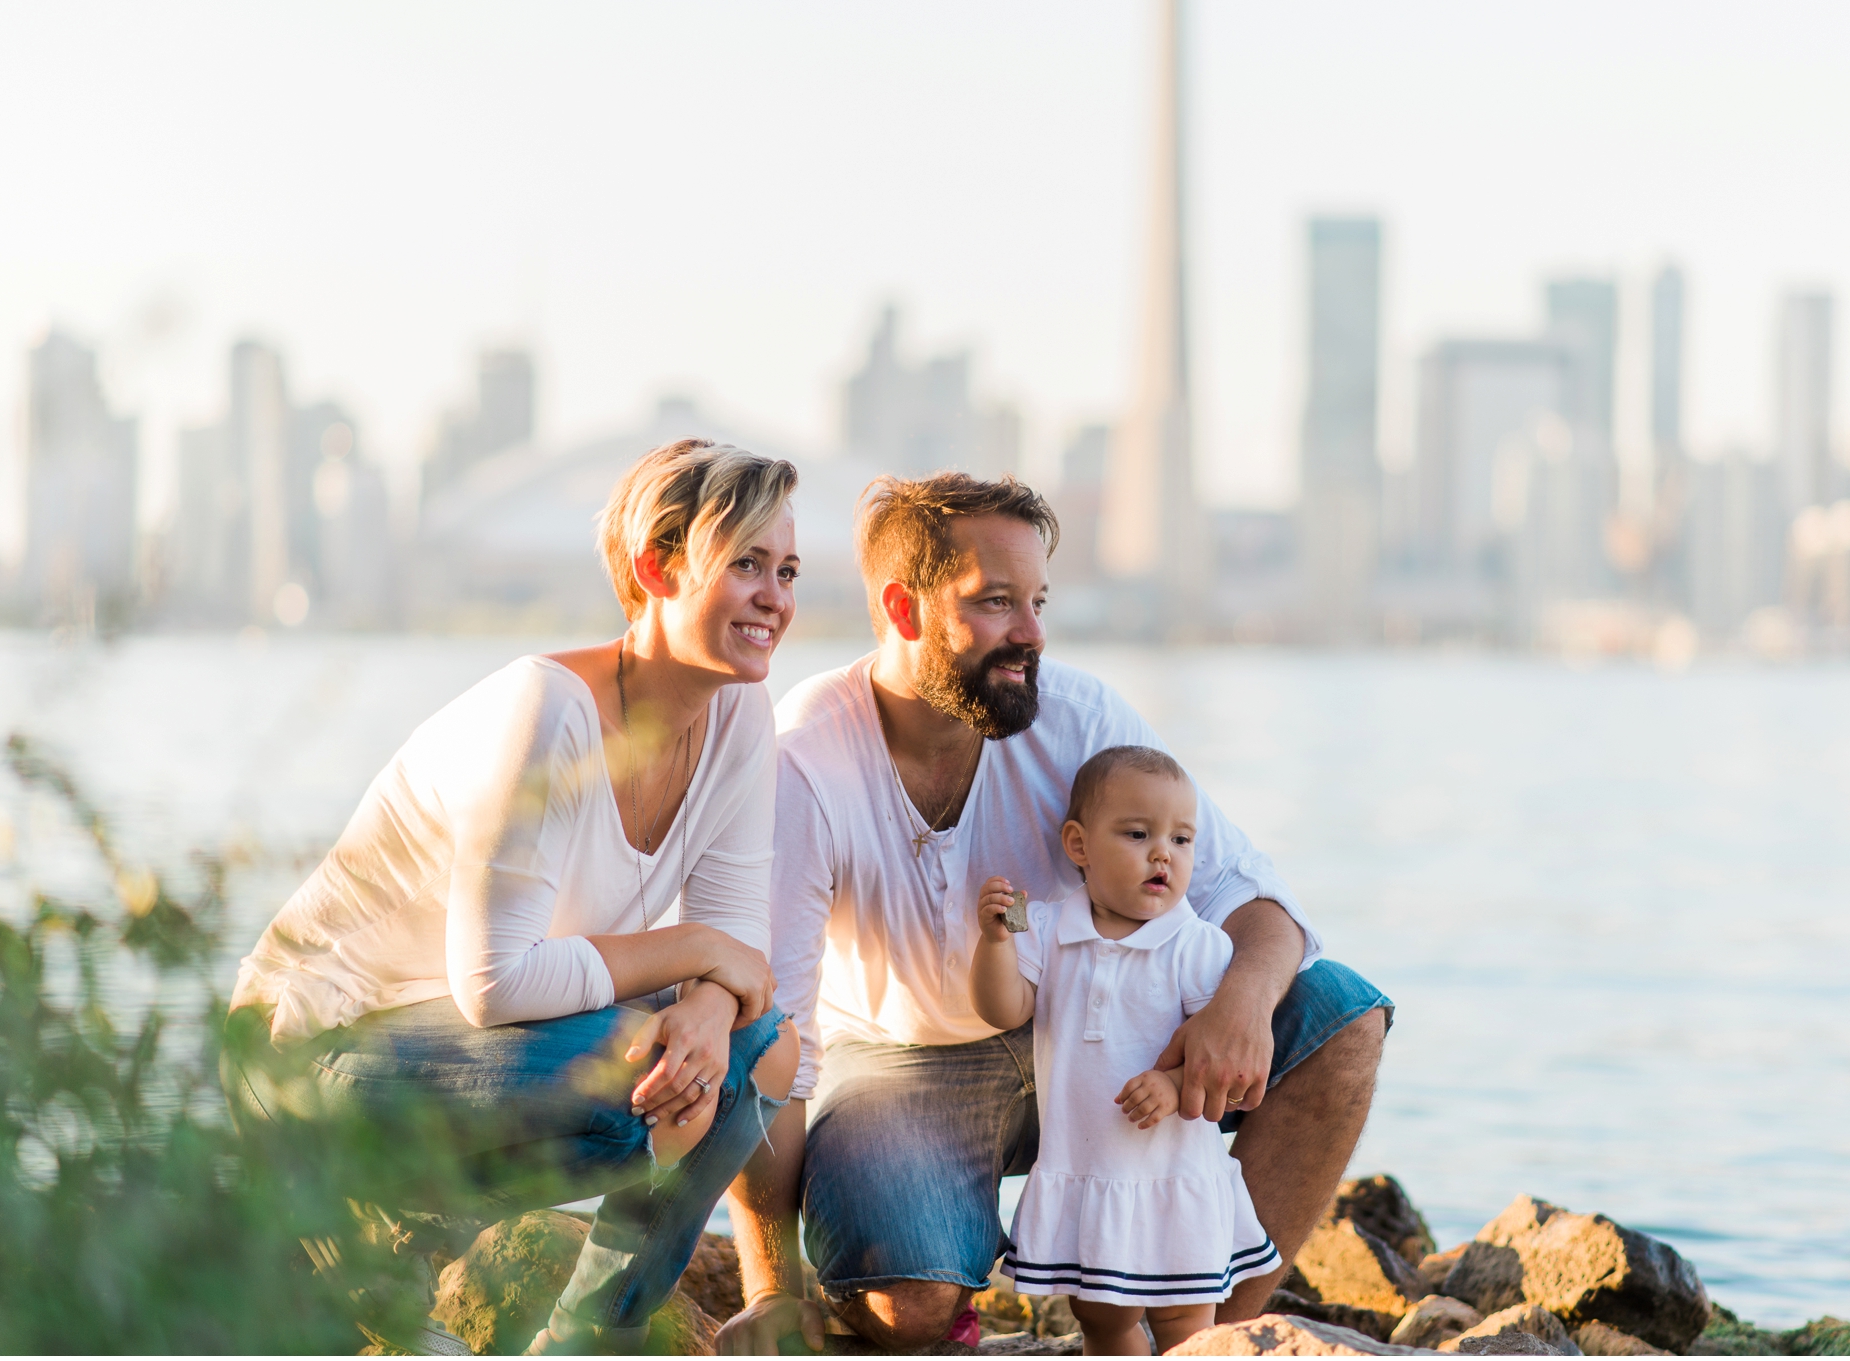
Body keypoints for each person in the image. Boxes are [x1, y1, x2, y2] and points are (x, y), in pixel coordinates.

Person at [715, 472, 1393, 1355]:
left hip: (1117, 1034)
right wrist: (771, 1289)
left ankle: (1209, 1333)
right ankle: (954, 1270)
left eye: (1037, 600)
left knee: (1339, 1017)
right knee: (904, 1310)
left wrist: (1238, 1004)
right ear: (903, 607)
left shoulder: (1080, 716)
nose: (1031, 633)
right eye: (996, 602)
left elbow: (1257, 900)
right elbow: (770, 1041)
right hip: (905, 1065)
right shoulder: (806, 762)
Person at [224, 439, 802, 1354]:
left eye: (787, 569)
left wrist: (706, 1006)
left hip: (467, 1052)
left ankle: (584, 1337)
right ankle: (367, 1243)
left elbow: (737, 950)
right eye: (746, 565)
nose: (776, 596)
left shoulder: (738, 715)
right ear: (657, 566)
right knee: (642, 1086)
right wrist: (696, 957)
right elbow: (495, 982)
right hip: (314, 1058)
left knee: (758, 1049)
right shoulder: (548, 708)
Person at [971, 745, 1282, 1357]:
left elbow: (1217, 1057)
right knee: (1102, 1320)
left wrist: (1170, 1086)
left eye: (1183, 839)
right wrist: (995, 943)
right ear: (1079, 846)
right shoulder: (1054, 927)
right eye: (1138, 834)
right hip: (1090, 1169)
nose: (1163, 853)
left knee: (1186, 1324)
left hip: (1172, 1176)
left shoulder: (1198, 947)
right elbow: (1004, 1009)